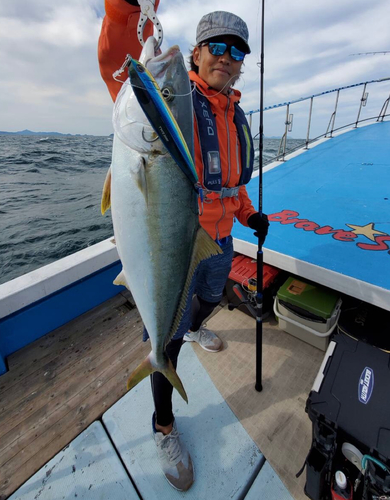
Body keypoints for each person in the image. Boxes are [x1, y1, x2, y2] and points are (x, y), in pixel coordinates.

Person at [98, 0, 269, 491]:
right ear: (196, 54)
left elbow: (231, 184)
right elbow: (117, 53)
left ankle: (190, 328)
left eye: (236, 51)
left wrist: (249, 212)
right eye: (216, 46)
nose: (226, 57)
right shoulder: (166, 97)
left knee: (211, 301)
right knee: (166, 339)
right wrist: (123, 9)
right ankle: (163, 426)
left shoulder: (236, 116)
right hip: (176, 241)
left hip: (218, 238)